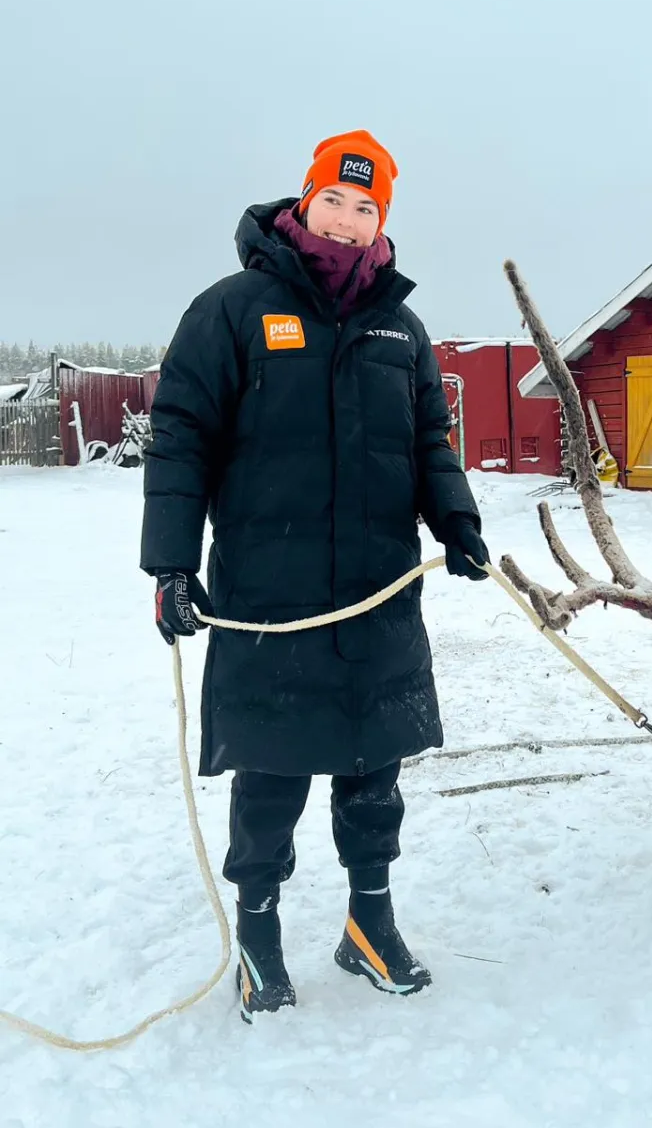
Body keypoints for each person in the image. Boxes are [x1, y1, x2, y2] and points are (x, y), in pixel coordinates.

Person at [140, 130, 489, 1022]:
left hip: (375, 592)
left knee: (376, 766)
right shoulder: (234, 309)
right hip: (270, 593)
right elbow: (180, 432)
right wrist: (171, 562)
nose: (347, 218)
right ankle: (258, 935)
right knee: (273, 770)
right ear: (304, 201)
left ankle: (368, 924)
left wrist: (457, 524)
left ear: (381, 221)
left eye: (366, 207)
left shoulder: (397, 328)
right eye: (335, 198)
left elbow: (426, 442)